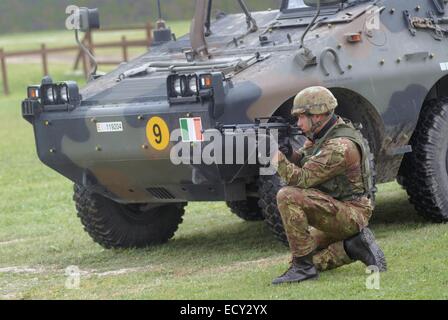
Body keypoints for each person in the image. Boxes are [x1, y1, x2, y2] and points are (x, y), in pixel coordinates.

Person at [271, 86, 387, 285]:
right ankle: (352, 248)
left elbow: (302, 179)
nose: (298, 123)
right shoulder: (325, 134)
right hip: (339, 208)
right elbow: (307, 161)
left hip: (351, 213)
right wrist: (290, 154)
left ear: (317, 116)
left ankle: (303, 269)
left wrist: (274, 155)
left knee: (286, 195)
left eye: (301, 117)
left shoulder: (339, 146)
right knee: (303, 252)